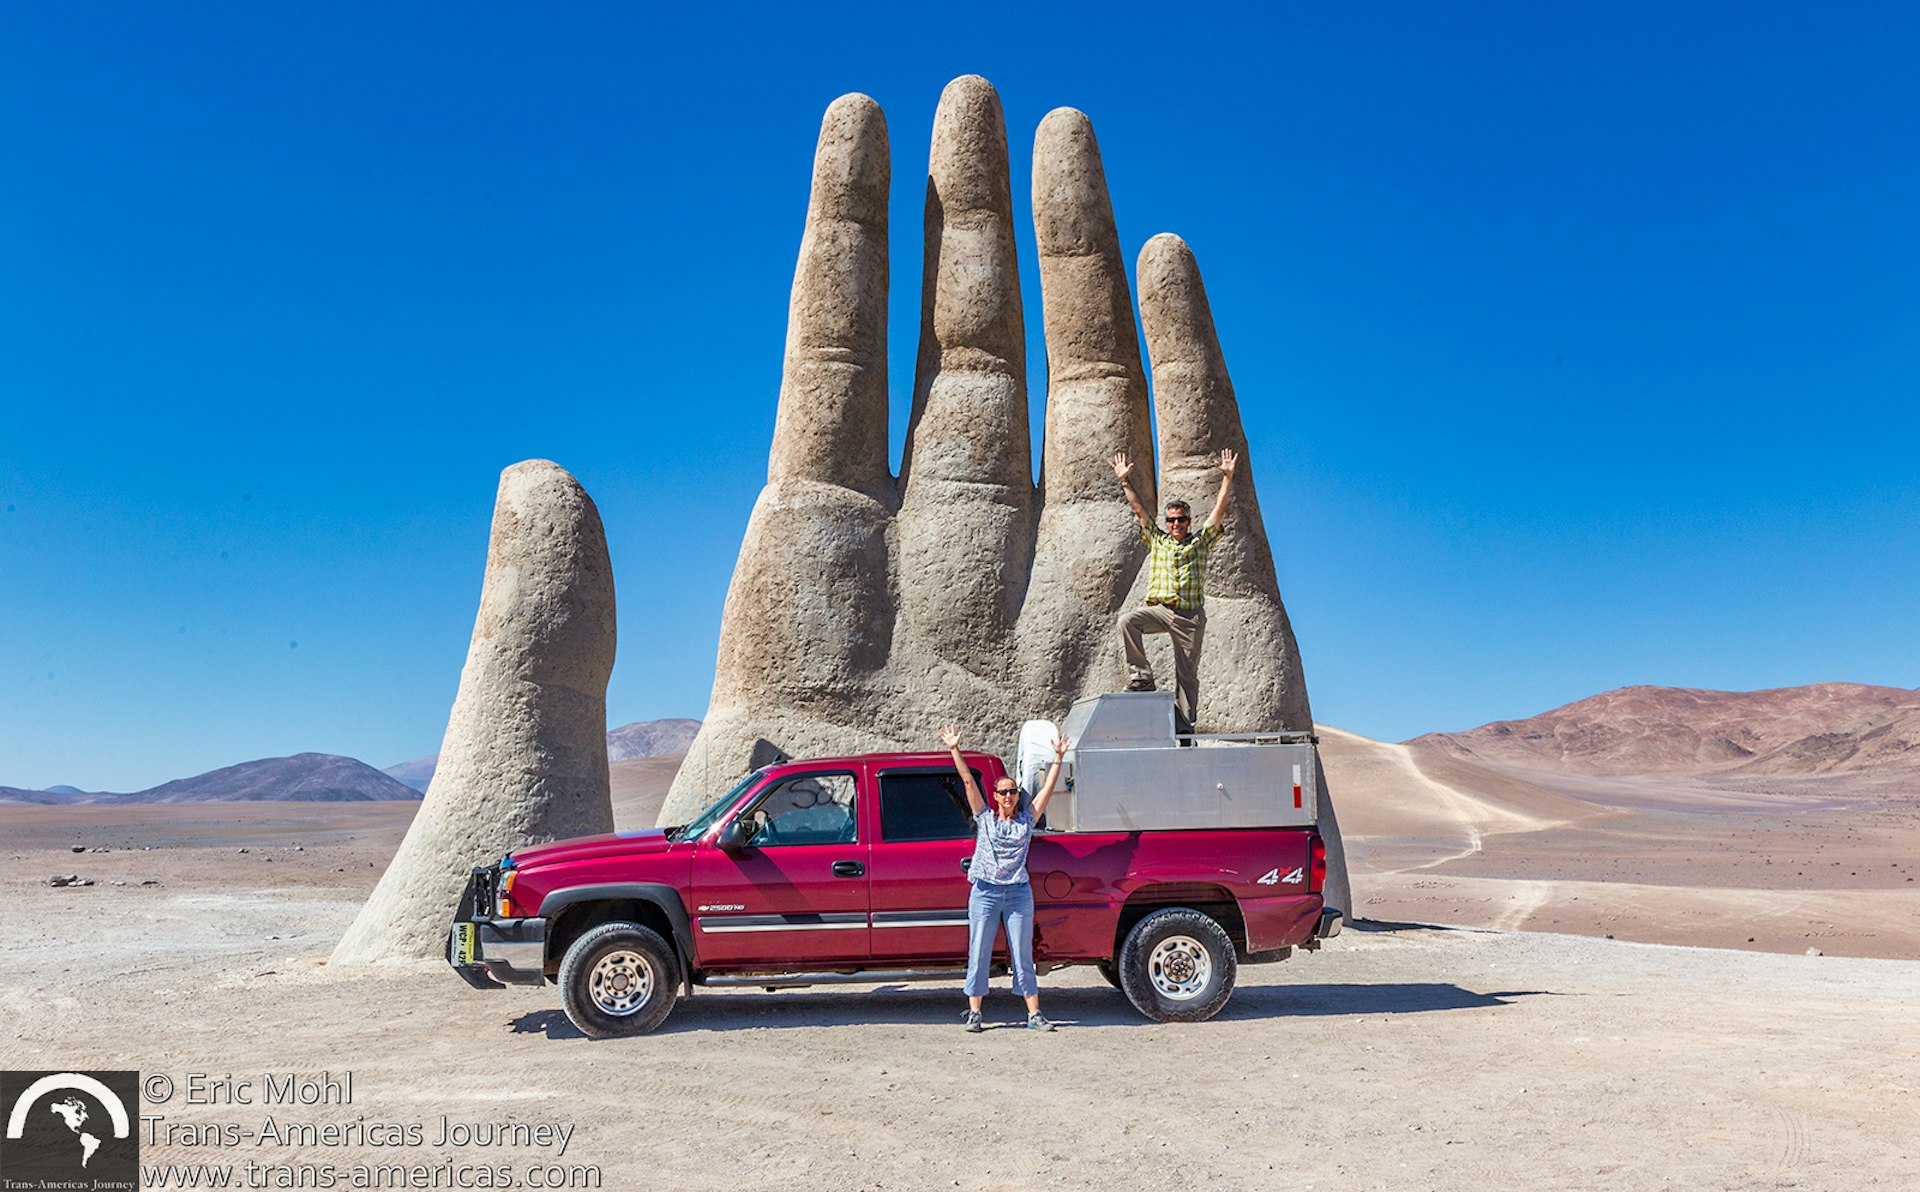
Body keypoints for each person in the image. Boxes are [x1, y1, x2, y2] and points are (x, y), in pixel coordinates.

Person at [941, 722, 1068, 1032]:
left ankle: (1034, 1014)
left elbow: (1048, 792)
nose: (1009, 795)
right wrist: (954, 749)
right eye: (1003, 792)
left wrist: (1058, 759)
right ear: (995, 796)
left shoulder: (1026, 820)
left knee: (1022, 952)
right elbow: (968, 782)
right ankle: (974, 1012)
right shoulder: (984, 818)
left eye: (1013, 791)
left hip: (1017, 893)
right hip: (984, 890)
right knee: (979, 949)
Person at [1111, 447, 1238, 737]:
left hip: (1189, 617)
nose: (1175, 524)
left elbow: (1218, 512)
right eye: (1171, 520)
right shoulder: (1158, 541)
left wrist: (1228, 478)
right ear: (1166, 523)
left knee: (1187, 673)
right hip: (1162, 610)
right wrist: (1125, 482)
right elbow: (1139, 511)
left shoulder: (1199, 543)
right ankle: (1141, 677)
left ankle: (1184, 728)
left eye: (1180, 519)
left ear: (1188, 521)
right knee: (1128, 621)